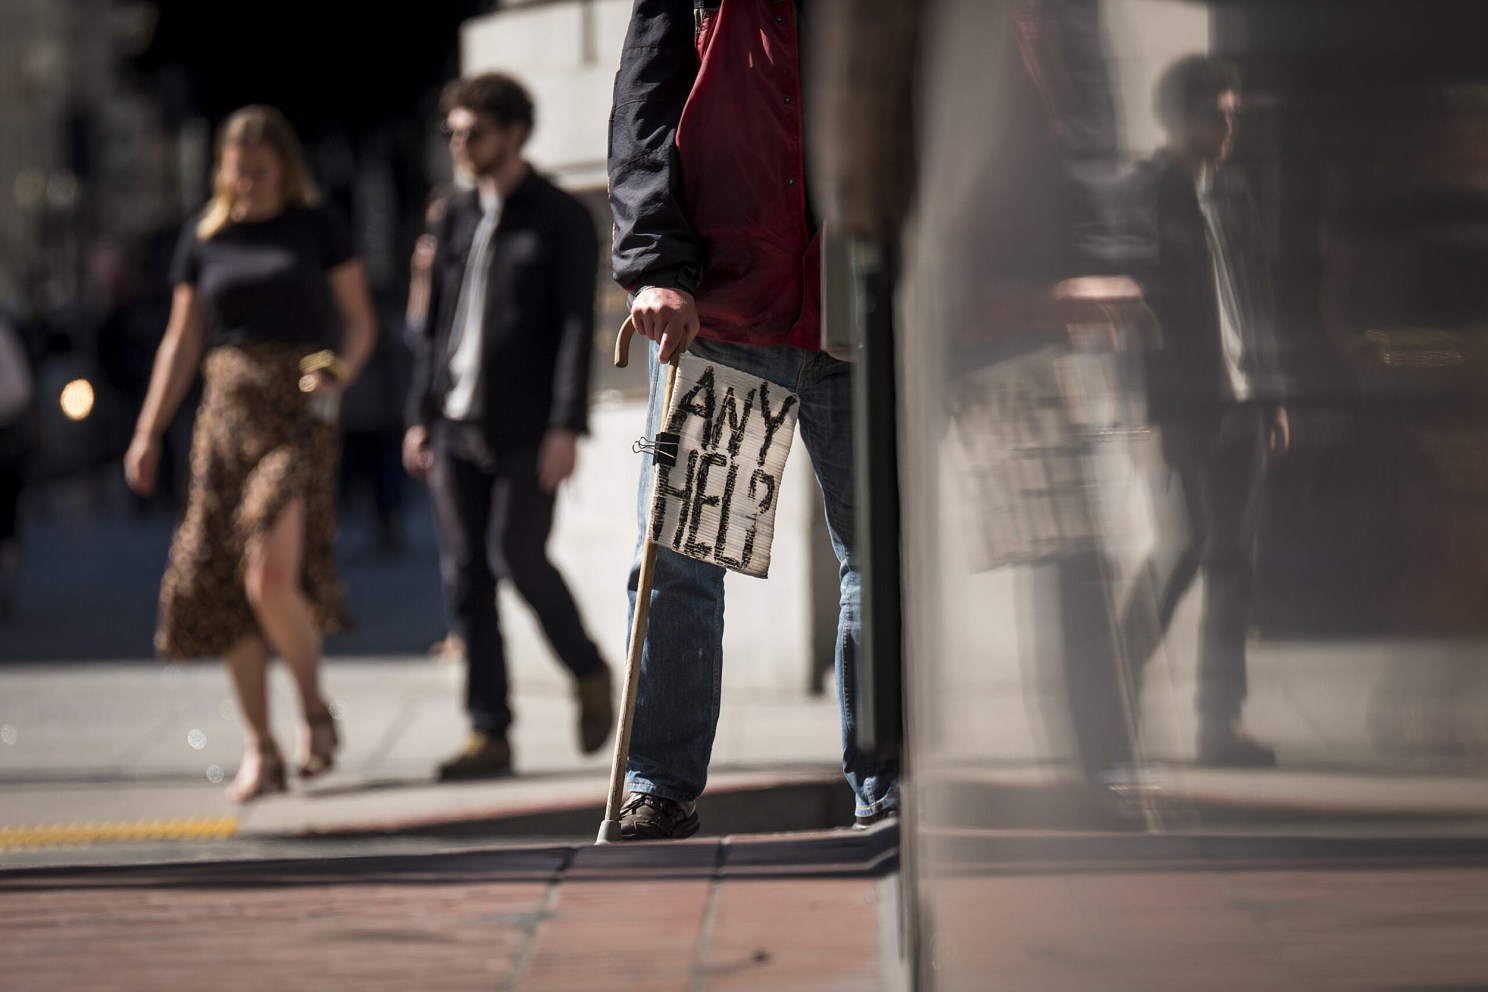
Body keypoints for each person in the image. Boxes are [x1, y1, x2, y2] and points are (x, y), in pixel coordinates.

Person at [607, 0, 900, 839]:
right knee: (684, 557)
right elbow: (645, 108)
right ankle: (659, 785)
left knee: (881, 557)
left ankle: (888, 786)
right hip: (727, 308)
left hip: (858, 299)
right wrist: (657, 266)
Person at [123, 105, 377, 802]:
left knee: (268, 577)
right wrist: (148, 431)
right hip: (223, 420)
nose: (249, 185)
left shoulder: (315, 226)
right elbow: (180, 342)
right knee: (221, 579)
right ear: (222, 172)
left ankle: (314, 711)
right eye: (238, 173)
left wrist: (343, 371)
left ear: (284, 170)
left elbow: (358, 318)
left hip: (298, 414)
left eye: (261, 172)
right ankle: (261, 749)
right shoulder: (202, 238)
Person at [402, 72, 614, 780]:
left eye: (475, 132)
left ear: (515, 134)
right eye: (453, 133)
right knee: (465, 575)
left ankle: (586, 670)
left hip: (527, 427)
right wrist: (420, 415)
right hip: (454, 424)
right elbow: (433, 328)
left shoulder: (558, 217)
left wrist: (566, 427)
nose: (461, 144)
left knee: (517, 557)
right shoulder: (452, 216)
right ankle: (488, 732)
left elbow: (577, 329)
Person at [1117, 54, 1289, 767]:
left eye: (1231, 113)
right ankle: (1111, 692)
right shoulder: (1149, 195)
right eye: (1216, 112)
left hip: (1243, 399)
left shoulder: (1236, 195)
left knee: (1232, 563)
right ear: (1179, 116)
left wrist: (1273, 395)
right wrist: (1159, 413)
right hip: (1188, 404)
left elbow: (1256, 300)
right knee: (1181, 552)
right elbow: (1144, 318)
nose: (1227, 125)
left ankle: (1221, 725)